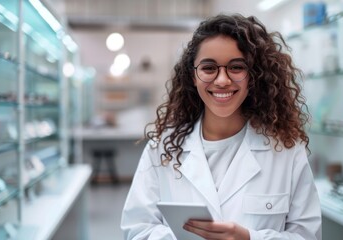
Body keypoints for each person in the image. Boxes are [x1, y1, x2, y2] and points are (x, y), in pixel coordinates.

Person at [121, 13, 322, 240]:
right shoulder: (162, 150)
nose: (222, 80)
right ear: (193, 76)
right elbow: (137, 230)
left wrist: (249, 239)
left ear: (253, 76)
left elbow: (307, 236)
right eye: (209, 68)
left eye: (236, 67)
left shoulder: (285, 150)